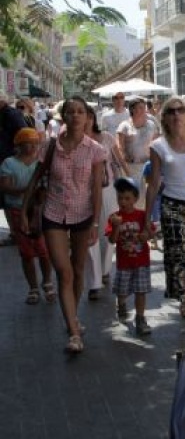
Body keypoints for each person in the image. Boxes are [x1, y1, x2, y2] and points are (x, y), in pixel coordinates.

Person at [21, 96, 106, 354]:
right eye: (71, 111)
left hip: (83, 214)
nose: (76, 116)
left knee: (78, 270)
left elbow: (96, 189)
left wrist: (95, 222)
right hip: (54, 213)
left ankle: (73, 316)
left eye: (81, 112)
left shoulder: (95, 149)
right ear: (64, 116)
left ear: (88, 117)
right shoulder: (51, 145)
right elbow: (37, 177)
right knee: (64, 272)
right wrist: (25, 211)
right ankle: (73, 333)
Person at [145, 96, 185, 335]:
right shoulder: (158, 146)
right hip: (173, 206)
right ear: (164, 118)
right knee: (180, 256)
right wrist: (146, 218)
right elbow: (154, 183)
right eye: (171, 111)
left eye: (181, 110)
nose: (176, 115)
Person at [0, 128, 55, 304]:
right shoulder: (8, 163)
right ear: (18, 145)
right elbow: (5, 186)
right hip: (16, 210)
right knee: (26, 253)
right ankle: (33, 287)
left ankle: (47, 282)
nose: (32, 147)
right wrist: (26, 190)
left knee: (44, 251)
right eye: (27, 144)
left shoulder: (41, 162)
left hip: (39, 210)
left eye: (34, 144)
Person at [85, 105, 128, 300]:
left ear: (93, 118)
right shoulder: (73, 140)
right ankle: (95, 282)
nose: (85, 119)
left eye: (87, 115)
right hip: (83, 192)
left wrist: (127, 182)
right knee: (90, 235)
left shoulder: (107, 138)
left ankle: (105, 269)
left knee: (110, 230)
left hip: (107, 189)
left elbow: (118, 161)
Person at [106, 177, 153, 335]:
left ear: (135, 198)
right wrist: (116, 227)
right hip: (124, 263)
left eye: (127, 198)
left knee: (141, 291)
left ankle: (140, 318)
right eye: (120, 198)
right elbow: (112, 240)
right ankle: (121, 304)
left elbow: (151, 233)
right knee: (122, 291)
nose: (123, 202)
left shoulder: (142, 215)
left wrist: (146, 235)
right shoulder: (113, 217)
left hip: (141, 261)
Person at [116, 96, 159, 196]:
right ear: (132, 109)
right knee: (133, 196)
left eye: (144, 107)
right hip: (131, 167)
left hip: (148, 166)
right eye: (140, 107)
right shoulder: (124, 126)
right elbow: (119, 148)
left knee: (148, 195)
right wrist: (126, 169)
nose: (143, 109)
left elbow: (156, 144)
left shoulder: (151, 124)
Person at [0, 89, 27, 245]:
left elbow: (23, 135)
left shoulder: (12, 115)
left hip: (11, 161)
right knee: (6, 200)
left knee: (12, 199)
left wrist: (19, 156)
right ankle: (15, 233)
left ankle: (19, 232)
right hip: (4, 161)